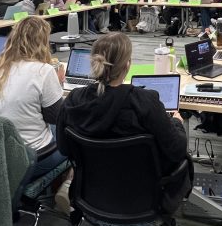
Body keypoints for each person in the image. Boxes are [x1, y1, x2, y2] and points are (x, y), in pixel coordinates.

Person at [57, 32, 192, 213]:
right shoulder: (145, 102)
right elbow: (176, 150)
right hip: (143, 197)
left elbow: (65, 148)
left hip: (93, 194)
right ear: (127, 65)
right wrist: (176, 123)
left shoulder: (74, 100)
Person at [0, 16, 66, 181]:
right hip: (30, 158)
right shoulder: (43, 71)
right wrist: (58, 85)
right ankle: (62, 187)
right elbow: (55, 117)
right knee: (71, 138)